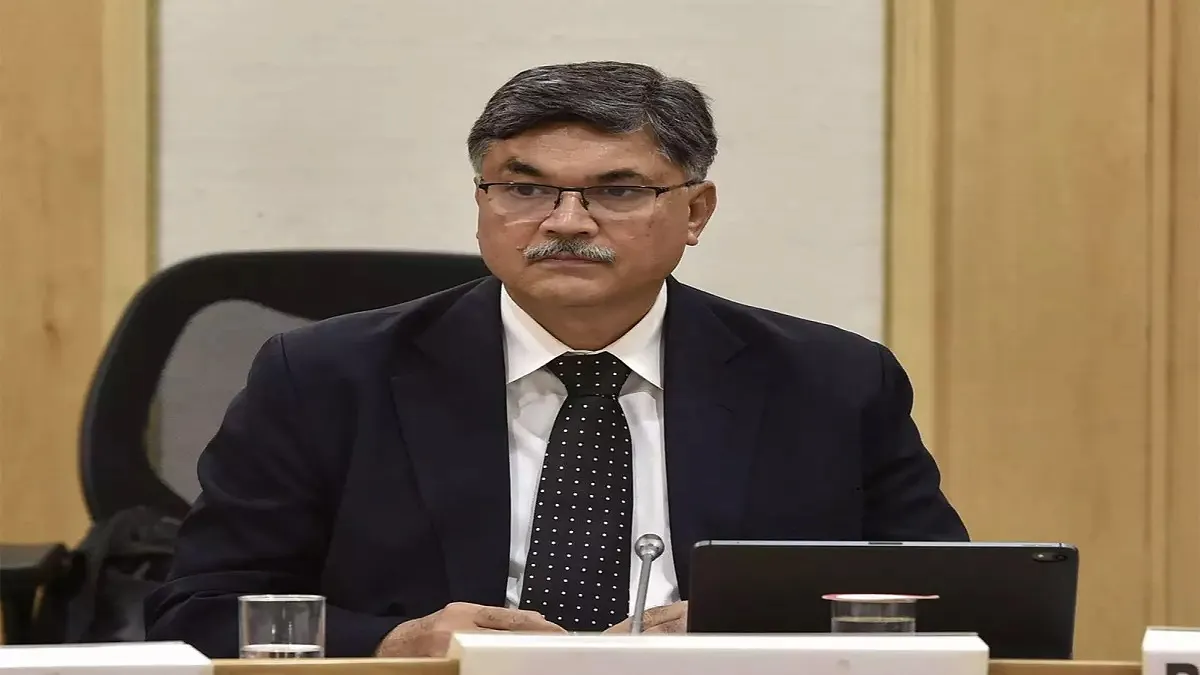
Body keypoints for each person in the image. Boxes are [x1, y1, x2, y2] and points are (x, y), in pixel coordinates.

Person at [145, 60, 968, 658]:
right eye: (525, 188)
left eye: (618, 190)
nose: (566, 221)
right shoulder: (324, 377)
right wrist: (397, 641)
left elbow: (955, 605)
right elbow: (199, 610)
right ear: (482, 202)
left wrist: (758, 630)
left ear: (696, 212)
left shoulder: (829, 383)